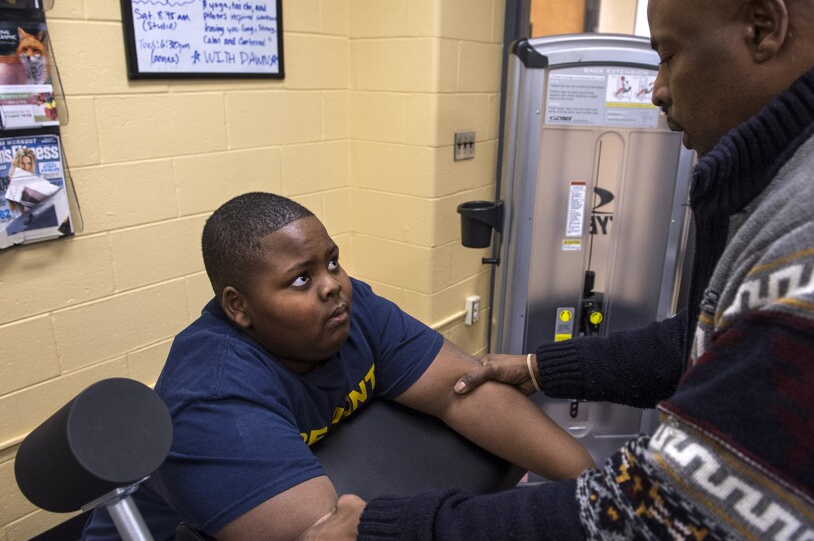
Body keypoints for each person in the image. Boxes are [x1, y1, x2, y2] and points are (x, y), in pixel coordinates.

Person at [312, 0, 814, 538]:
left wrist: (393, 529)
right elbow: (708, 337)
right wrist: (540, 367)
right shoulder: (806, 171)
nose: (657, 90)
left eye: (670, 56)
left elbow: (668, 516)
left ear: (763, 27)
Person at [81, 192, 593, 541]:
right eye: (300, 279)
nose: (332, 284)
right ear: (239, 307)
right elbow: (328, 532)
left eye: (331, 261)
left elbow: (462, 390)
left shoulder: (350, 308)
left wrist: (601, 496)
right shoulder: (212, 396)